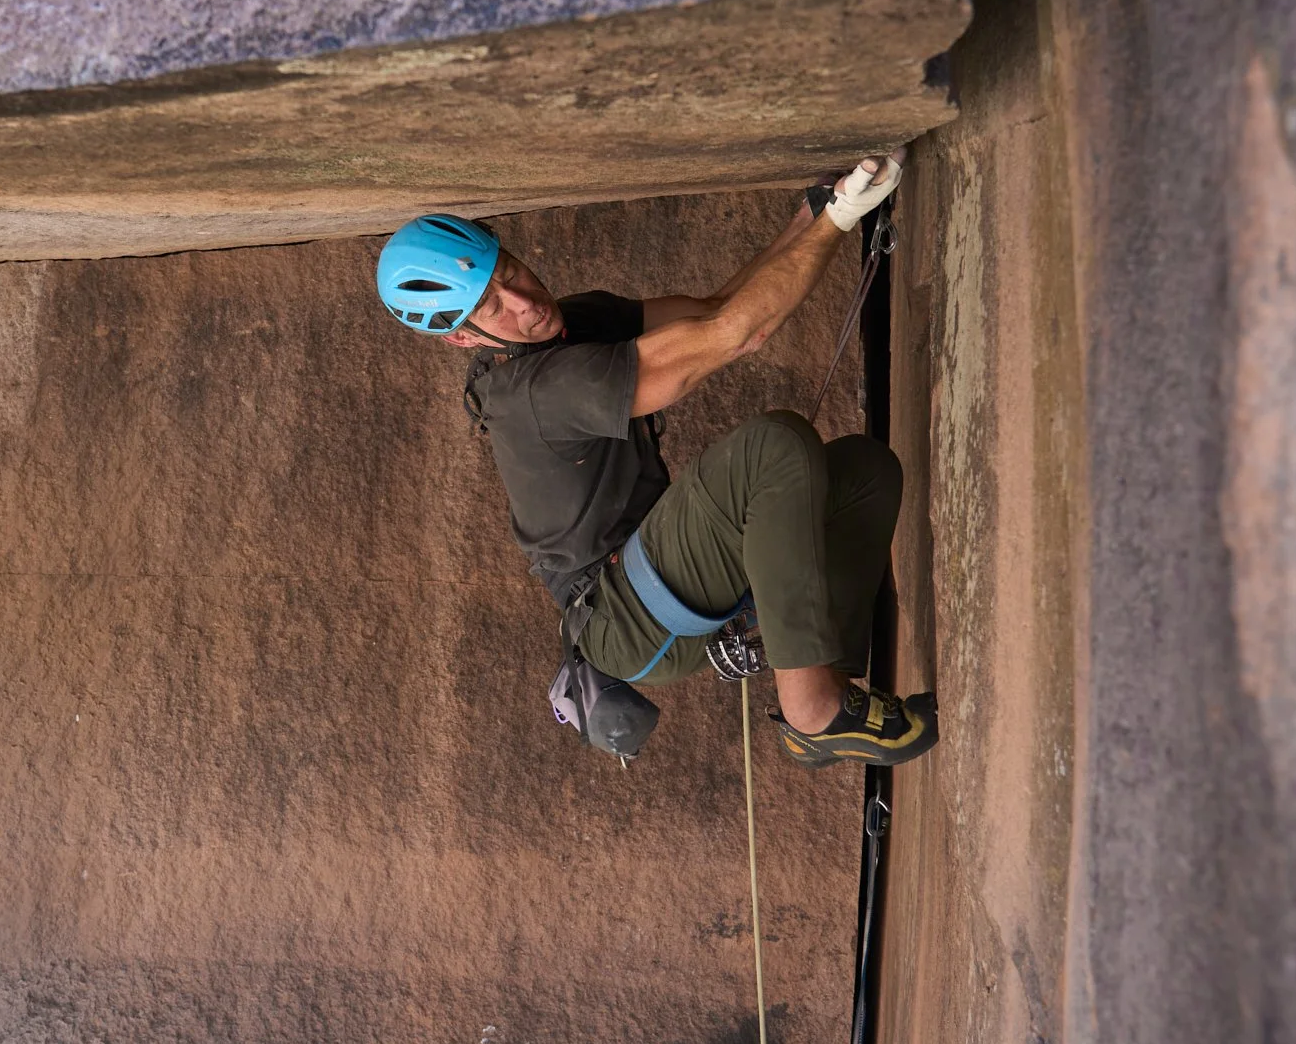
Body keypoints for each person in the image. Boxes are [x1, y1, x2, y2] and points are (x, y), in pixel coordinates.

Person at [374, 160, 938, 768]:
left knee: (864, 472)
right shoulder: (540, 390)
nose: (523, 303)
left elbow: (713, 307)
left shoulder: (572, 323)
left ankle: (831, 682)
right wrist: (843, 219)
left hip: (654, 570)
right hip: (628, 617)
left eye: (509, 272)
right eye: (491, 307)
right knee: (772, 447)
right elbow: (733, 333)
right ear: (462, 338)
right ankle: (812, 714)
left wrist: (813, 211)